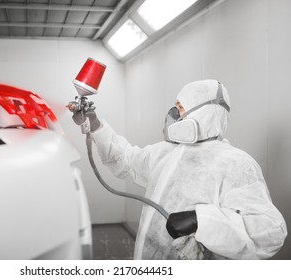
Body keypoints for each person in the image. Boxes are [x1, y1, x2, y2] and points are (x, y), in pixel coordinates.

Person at [72, 79, 287, 259]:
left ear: (203, 113)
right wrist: (95, 124)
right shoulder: (167, 153)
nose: (174, 114)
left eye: (180, 107)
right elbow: (124, 159)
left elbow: (270, 233)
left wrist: (201, 220)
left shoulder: (235, 164)